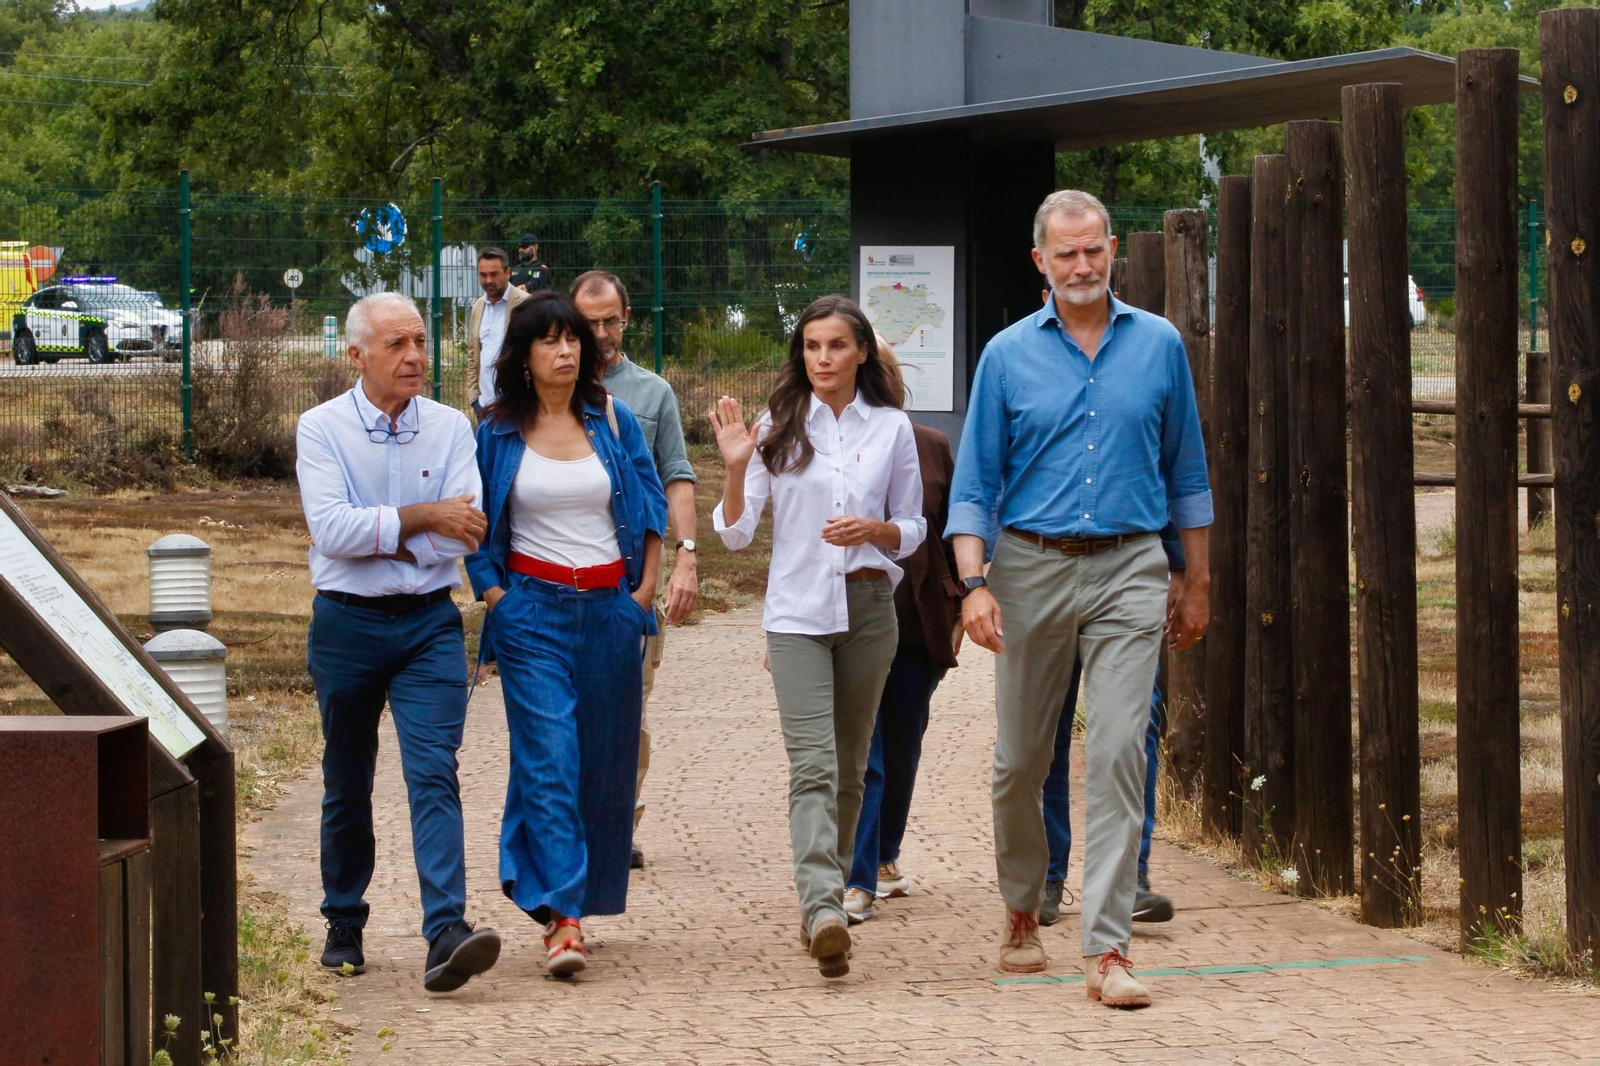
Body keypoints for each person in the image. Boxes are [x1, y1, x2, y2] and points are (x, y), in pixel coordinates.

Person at [948, 189, 1211, 1009]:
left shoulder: (1160, 345)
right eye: (1066, 254)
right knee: (1022, 759)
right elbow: (974, 486)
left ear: (1111, 252)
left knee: (1118, 751)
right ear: (1041, 262)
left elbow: (1188, 476)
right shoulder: (1005, 355)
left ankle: (1108, 949)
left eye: (1094, 250)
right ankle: (1024, 907)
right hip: (1028, 568)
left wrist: (1193, 580)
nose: (1083, 266)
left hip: (1132, 565)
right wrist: (973, 585)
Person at [712, 295, 925, 979]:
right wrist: (738, 466)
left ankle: (830, 894)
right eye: (811, 346)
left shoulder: (892, 429)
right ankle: (823, 908)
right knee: (813, 766)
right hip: (797, 614)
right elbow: (737, 536)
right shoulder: (780, 424)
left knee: (852, 764)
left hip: (868, 608)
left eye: (836, 346)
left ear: (861, 350)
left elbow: (915, 528)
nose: (823, 359)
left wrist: (876, 532)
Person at [297, 291, 502, 994]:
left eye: (419, 342)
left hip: (428, 624)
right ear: (357, 355)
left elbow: (465, 530)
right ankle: (344, 921)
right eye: (397, 345)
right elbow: (332, 532)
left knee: (433, 772)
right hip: (345, 625)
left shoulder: (450, 428)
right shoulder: (319, 430)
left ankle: (446, 929)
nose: (415, 357)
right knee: (346, 778)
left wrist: (391, 535)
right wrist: (421, 520)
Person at [464, 291, 667, 978]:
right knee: (550, 757)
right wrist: (497, 598)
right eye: (550, 340)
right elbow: (473, 526)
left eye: (573, 339)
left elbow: (649, 505)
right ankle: (565, 919)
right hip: (531, 615)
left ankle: (566, 892)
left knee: (601, 767)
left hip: (610, 610)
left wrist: (642, 596)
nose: (567, 351)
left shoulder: (612, 418)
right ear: (522, 356)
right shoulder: (493, 432)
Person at [570, 270, 698, 870]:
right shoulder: (546, 387)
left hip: (629, 585)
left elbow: (676, 476)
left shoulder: (651, 394)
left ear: (627, 318)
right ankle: (567, 824)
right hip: (557, 582)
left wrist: (687, 556)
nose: (600, 333)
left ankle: (617, 826)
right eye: (588, 322)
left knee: (627, 713)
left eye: (610, 320)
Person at [841, 339, 959, 923]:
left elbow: (951, 530)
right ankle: (857, 875)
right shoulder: (829, 444)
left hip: (918, 620)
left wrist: (962, 605)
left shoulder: (931, 446)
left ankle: (883, 855)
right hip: (854, 611)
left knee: (904, 737)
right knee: (868, 747)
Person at [465, 247, 536, 421]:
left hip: (516, 405)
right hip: (484, 407)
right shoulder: (477, 308)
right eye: (483, 275)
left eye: (494, 274)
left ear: (508, 273)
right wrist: (474, 398)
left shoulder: (526, 304)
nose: (488, 280)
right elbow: (473, 355)